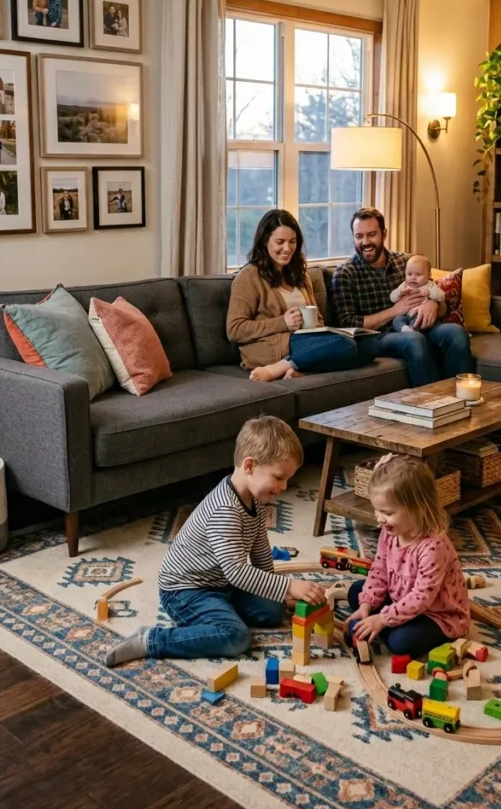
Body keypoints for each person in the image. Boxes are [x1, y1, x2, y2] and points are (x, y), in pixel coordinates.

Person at [104, 416, 325, 667]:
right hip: (185, 590)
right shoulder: (224, 510)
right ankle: (151, 640)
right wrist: (289, 585)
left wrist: (277, 591)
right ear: (249, 465)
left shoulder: (256, 498)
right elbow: (237, 572)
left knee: (274, 609)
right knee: (236, 637)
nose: (284, 486)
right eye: (279, 477)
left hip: (221, 582)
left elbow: (260, 551)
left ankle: (222, 610)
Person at [344, 453, 470, 658]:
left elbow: (421, 598)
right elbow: (379, 570)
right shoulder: (389, 531)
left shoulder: (433, 547)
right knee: (356, 592)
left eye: (387, 513)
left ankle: (386, 627)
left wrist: (382, 619)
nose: (379, 518)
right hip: (401, 598)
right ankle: (383, 623)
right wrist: (366, 605)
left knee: (400, 643)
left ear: (418, 508)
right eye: (377, 510)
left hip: (436, 614)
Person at [227, 208, 375, 382]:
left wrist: (322, 327)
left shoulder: (300, 274)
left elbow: (317, 319)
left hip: (307, 339)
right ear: (265, 240)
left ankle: (300, 368)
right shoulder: (249, 277)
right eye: (280, 242)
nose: (287, 248)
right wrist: (282, 322)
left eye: (292, 241)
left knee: (370, 346)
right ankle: (280, 367)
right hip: (274, 346)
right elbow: (235, 330)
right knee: (346, 345)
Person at [331, 207, 474, 387]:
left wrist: (434, 305)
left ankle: (463, 397)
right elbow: (346, 325)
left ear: (384, 234)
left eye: (371, 234)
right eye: (359, 236)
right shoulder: (345, 273)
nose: (365, 242)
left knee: (456, 333)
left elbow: (445, 306)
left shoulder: (407, 262)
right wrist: (395, 311)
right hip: (377, 337)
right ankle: (434, 400)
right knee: (413, 340)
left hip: (418, 325)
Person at [390, 254, 446, 333]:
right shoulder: (404, 285)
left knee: (419, 319)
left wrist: (429, 293)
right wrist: (399, 293)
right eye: (409, 274)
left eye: (418, 274)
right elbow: (392, 298)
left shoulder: (430, 285)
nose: (413, 278)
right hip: (405, 315)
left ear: (428, 275)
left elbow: (442, 296)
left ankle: (413, 330)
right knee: (397, 320)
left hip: (422, 315)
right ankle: (405, 329)